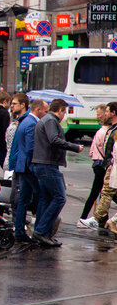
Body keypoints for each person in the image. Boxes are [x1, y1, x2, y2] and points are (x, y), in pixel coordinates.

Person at [31, 99, 84, 247]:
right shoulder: (50, 121)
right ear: (60, 110)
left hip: (43, 164)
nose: (64, 115)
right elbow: (54, 140)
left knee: (45, 199)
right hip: (47, 165)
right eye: (64, 112)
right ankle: (41, 231)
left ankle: (42, 233)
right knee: (59, 197)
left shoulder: (46, 120)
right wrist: (74, 147)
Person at [12, 99, 47, 242]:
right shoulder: (32, 124)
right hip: (29, 167)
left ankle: (19, 231)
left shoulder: (24, 121)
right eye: (45, 111)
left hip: (22, 165)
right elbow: (31, 148)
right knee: (42, 197)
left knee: (24, 200)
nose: (46, 114)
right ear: (38, 109)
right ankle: (40, 231)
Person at [78, 104, 109, 229]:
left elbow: (92, 151)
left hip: (98, 164)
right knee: (103, 193)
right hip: (103, 165)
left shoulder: (102, 131)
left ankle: (90, 217)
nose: (98, 117)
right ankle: (93, 218)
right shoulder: (105, 131)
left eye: (98, 114)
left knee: (100, 193)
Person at [91, 103, 117, 231]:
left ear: (113, 113)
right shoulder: (112, 129)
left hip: (112, 166)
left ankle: (98, 219)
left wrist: (110, 164)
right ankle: (102, 219)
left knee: (105, 193)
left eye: (107, 111)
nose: (105, 114)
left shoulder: (114, 130)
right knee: (106, 193)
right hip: (110, 166)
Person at [5, 93, 29, 171]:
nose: (11, 106)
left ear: (22, 105)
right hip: (12, 163)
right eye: (11, 103)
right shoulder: (16, 121)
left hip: (20, 165)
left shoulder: (27, 122)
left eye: (14, 104)